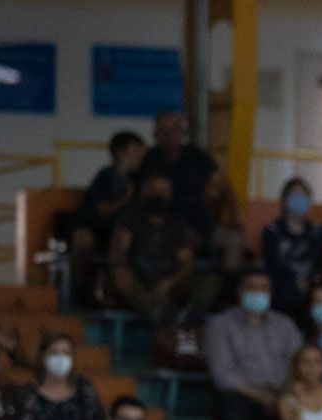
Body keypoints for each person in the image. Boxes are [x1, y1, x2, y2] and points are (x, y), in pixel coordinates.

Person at [206, 267, 303, 420]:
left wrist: (282, 396)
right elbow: (222, 375)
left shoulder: (285, 325)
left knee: (304, 403)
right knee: (233, 408)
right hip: (244, 395)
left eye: (264, 288)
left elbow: (299, 364)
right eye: (252, 287)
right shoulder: (221, 325)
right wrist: (263, 397)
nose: (258, 292)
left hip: (282, 393)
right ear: (240, 291)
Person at [108, 173, 213, 323]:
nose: (160, 195)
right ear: (145, 191)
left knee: (211, 280)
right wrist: (126, 273)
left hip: (169, 283)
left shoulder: (177, 225)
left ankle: (191, 315)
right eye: (155, 190)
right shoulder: (129, 220)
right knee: (120, 276)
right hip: (139, 281)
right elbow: (118, 256)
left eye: (165, 191)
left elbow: (186, 263)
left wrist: (169, 283)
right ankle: (162, 314)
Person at [70, 131, 145, 305]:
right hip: (97, 228)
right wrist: (127, 197)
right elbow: (103, 210)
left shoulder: (139, 179)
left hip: (123, 230)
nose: (139, 157)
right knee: (83, 241)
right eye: (135, 151)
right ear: (120, 153)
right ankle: (81, 293)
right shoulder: (105, 177)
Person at [133, 110, 218, 236]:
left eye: (175, 130)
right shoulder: (149, 159)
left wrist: (234, 217)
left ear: (183, 132)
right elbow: (143, 195)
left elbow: (221, 181)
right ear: (156, 134)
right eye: (164, 132)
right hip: (164, 227)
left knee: (233, 238)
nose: (171, 136)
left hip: (201, 224)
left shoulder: (196, 155)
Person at [260, 178, 322, 317]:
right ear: (284, 200)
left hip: (309, 287)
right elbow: (270, 265)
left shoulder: (316, 232)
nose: (299, 199)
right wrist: (293, 281)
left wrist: (310, 282)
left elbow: (321, 266)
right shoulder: (272, 231)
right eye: (294, 195)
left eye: (303, 195)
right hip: (281, 288)